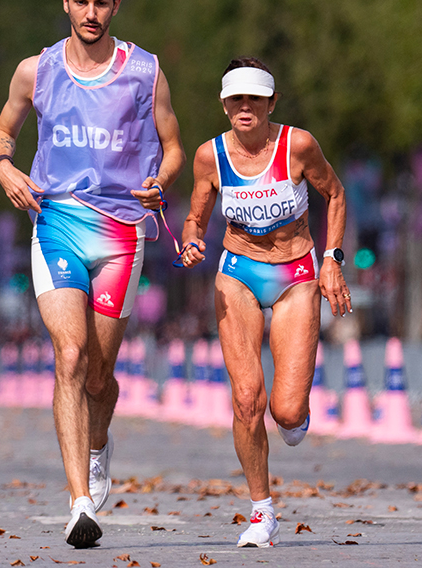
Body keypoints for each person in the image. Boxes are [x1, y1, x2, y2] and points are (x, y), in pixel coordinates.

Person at [0, 0, 185, 549]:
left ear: (116, 4)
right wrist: (6, 169)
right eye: (82, 2)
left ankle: (99, 445)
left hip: (123, 232)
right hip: (58, 223)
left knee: (100, 373)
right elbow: (3, 134)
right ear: (66, 3)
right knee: (69, 357)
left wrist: (162, 181)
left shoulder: (144, 71)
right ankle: (78, 504)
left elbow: (173, 145)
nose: (92, 13)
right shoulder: (36, 70)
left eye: (102, 3)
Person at [179, 57, 349, 548]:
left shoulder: (298, 146)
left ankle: (296, 415)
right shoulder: (210, 157)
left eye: (255, 98)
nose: (245, 107)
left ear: (272, 103)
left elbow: (334, 195)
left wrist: (333, 258)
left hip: (296, 274)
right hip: (238, 273)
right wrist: (191, 240)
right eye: (236, 99)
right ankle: (261, 511)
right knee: (246, 397)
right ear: (225, 104)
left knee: (287, 412)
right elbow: (195, 216)